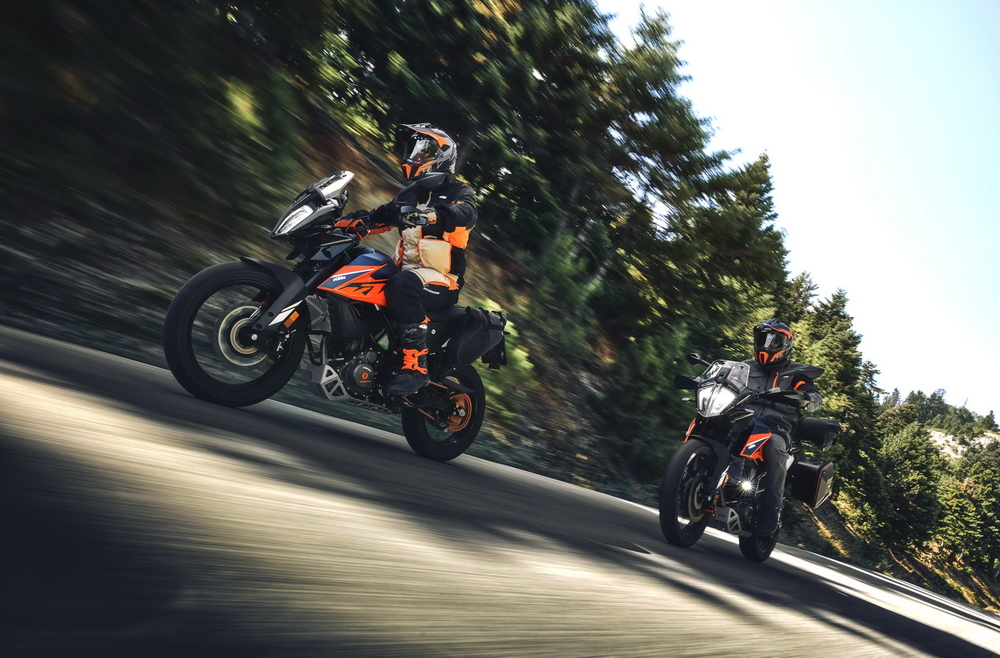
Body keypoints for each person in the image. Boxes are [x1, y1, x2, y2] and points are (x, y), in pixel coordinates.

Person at [359, 123, 477, 397]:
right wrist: (348, 223)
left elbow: (466, 213)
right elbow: (380, 217)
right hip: (409, 274)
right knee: (362, 273)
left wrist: (434, 215)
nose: (415, 156)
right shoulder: (409, 194)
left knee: (402, 283)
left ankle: (416, 365)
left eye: (424, 151)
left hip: (443, 280)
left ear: (442, 155)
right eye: (413, 150)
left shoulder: (460, 191)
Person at [742, 318, 823, 537]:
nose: (767, 345)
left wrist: (807, 397)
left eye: (774, 341)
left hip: (776, 427)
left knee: (774, 446)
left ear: (786, 345)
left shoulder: (796, 373)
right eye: (763, 339)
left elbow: (814, 396)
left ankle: (771, 511)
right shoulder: (744, 367)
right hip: (742, 419)